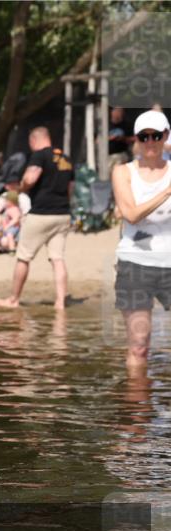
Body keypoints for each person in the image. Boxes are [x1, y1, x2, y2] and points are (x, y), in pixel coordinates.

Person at [110, 109, 171, 375]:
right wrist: (167, 191)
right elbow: (132, 214)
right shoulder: (122, 172)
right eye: (144, 136)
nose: (150, 142)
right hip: (135, 265)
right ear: (136, 138)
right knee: (139, 347)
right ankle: (136, 414)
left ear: (165, 136)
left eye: (156, 135)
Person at [0, 127, 74, 310]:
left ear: (33, 140)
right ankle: (60, 302)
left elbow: (31, 178)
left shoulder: (39, 155)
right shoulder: (66, 159)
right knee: (57, 258)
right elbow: (71, 188)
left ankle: (14, 299)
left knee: (23, 257)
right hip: (63, 214)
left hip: (41, 213)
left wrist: (22, 187)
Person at [108, 107, 135, 173]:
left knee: (118, 172)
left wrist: (123, 138)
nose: (117, 113)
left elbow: (134, 138)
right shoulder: (106, 124)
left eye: (119, 111)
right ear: (111, 112)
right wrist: (110, 138)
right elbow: (96, 139)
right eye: (116, 110)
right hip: (107, 155)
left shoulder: (127, 125)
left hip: (121, 154)